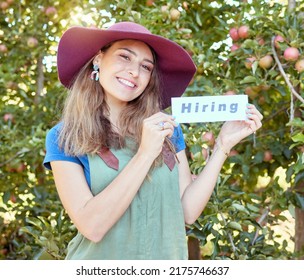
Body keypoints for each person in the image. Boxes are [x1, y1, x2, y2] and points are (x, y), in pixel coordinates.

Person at [43, 21, 263, 260]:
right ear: (98, 59)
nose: (134, 72)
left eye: (146, 67)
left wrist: (222, 146)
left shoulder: (167, 129)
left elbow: (187, 212)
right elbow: (92, 227)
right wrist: (146, 153)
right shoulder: (64, 136)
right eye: (124, 56)